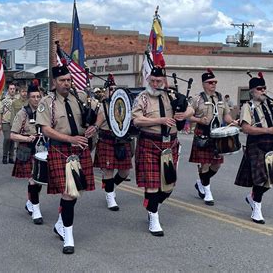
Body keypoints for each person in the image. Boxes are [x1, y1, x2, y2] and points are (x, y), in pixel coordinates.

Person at [36, 65, 97, 254]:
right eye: (62, 80)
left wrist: (94, 126)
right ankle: (68, 237)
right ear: (54, 82)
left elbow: (101, 112)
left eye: (69, 80)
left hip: (80, 149)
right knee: (69, 193)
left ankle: (61, 224)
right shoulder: (47, 102)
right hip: (61, 149)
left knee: (77, 190)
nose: (66, 83)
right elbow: (45, 129)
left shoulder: (78, 99)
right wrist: (70, 138)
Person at [132, 66, 194, 236]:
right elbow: (137, 120)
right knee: (152, 185)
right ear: (148, 80)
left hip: (170, 144)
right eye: (152, 80)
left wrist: (184, 115)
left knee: (168, 186)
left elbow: (191, 108)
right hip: (150, 143)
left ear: (164, 80)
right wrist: (160, 120)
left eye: (158, 81)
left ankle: (153, 206)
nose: (155, 84)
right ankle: (153, 218)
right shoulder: (142, 98)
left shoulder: (172, 95)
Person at [235, 72, 273, 224]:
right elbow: (246, 129)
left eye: (264, 88)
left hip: (271, 146)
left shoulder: (270, 104)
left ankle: (252, 197)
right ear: (252, 91)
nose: (263, 91)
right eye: (260, 89)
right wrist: (269, 130)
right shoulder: (247, 107)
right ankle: (257, 209)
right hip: (256, 145)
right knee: (261, 180)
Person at [188, 69, 238, 206]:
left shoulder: (221, 98)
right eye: (210, 82)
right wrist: (198, 120)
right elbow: (188, 116)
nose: (213, 84)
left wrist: (232, 121)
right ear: (204, 84)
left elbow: (226, 115)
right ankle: (208, 192)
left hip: (217, 136)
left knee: (216, 165)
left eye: (214, 82)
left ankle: (201, 183)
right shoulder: (197, 99)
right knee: (205, 164)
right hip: (203, 134)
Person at [94, 74, 132, 211]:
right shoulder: (102, 107)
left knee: (125, 172)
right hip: (107, 140)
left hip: (121, 141)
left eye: (115, 89)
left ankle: (111, 187)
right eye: (110, 89)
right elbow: (97, 124)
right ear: (105, 91)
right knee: (108, 171)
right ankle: (110, 196)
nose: (113, 91)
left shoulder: (123, 104)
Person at [10, 84, 43, 224]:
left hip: (42, 148)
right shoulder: (22, 113)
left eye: (38, 96)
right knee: (33, 180)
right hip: (27, 148)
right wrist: (26, 138)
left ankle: (30, 202)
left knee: (40, 180)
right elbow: (12, 135)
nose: (36, 99)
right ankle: (36, 209)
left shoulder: (44, 112)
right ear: (28, 98)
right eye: (33, 97)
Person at [9, 85, 29, 162]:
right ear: (19, 92)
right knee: (19, 144)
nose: (24, 93)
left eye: (26, 92)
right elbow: (13, 115)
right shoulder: (15, 102)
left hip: (28, 126)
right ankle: (19, 158)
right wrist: (12, 127)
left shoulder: (29, 102)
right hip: (18, 126)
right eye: (23, 91)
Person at [0, 83, 16, 164]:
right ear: (8, 90)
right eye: (11, 89)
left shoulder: (17, 100)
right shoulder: (4, 100)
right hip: (6, 122)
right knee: (7, 138)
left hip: (15, 123)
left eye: (13, 89)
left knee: (12, 139)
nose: (12, 90)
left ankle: (11, 156)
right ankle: (5, 156)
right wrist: (0, 123)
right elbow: (0, 112)